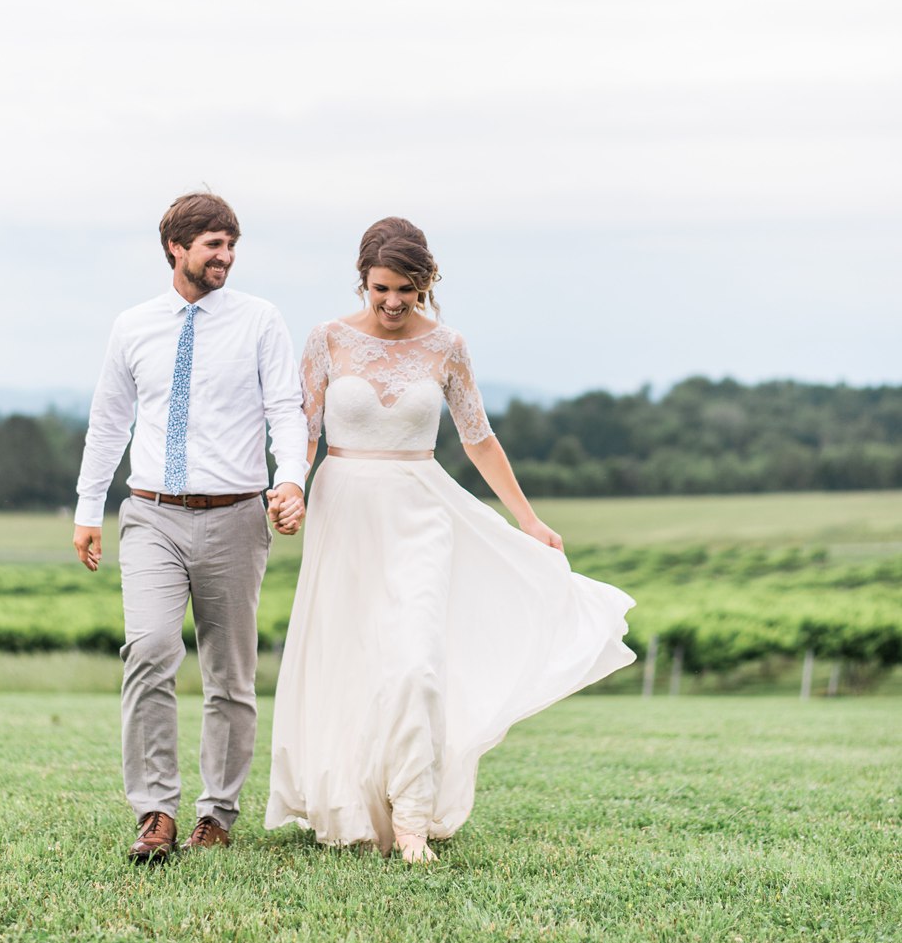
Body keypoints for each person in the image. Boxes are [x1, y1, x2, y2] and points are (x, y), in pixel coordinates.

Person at [266, 218, 636, 862]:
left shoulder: (448, 347)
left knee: (416, 660)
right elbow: (304, 428)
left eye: (406, 290)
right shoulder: (325, 339)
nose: (391, 303)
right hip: (344, 510)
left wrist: (528, 518)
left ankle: (412, 814)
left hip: (420, 510)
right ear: (363, 280)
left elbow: (478, 438)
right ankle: (352, 802)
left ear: (426, 284)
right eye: (380, 288)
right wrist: (290, 485)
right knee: (351, 656)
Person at [73, 192, 308, 863]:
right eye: (212, 245)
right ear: (175, 248)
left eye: (231, 245)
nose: (225, 257)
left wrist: (289, 478)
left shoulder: (260, 321)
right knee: (148, 649)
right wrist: (88, 510)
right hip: (150, 513)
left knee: (229, 674)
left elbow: (285, 411)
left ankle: (217, 812)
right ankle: (154, 810)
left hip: (235, 515)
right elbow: (108, 424)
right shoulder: (133, 326)